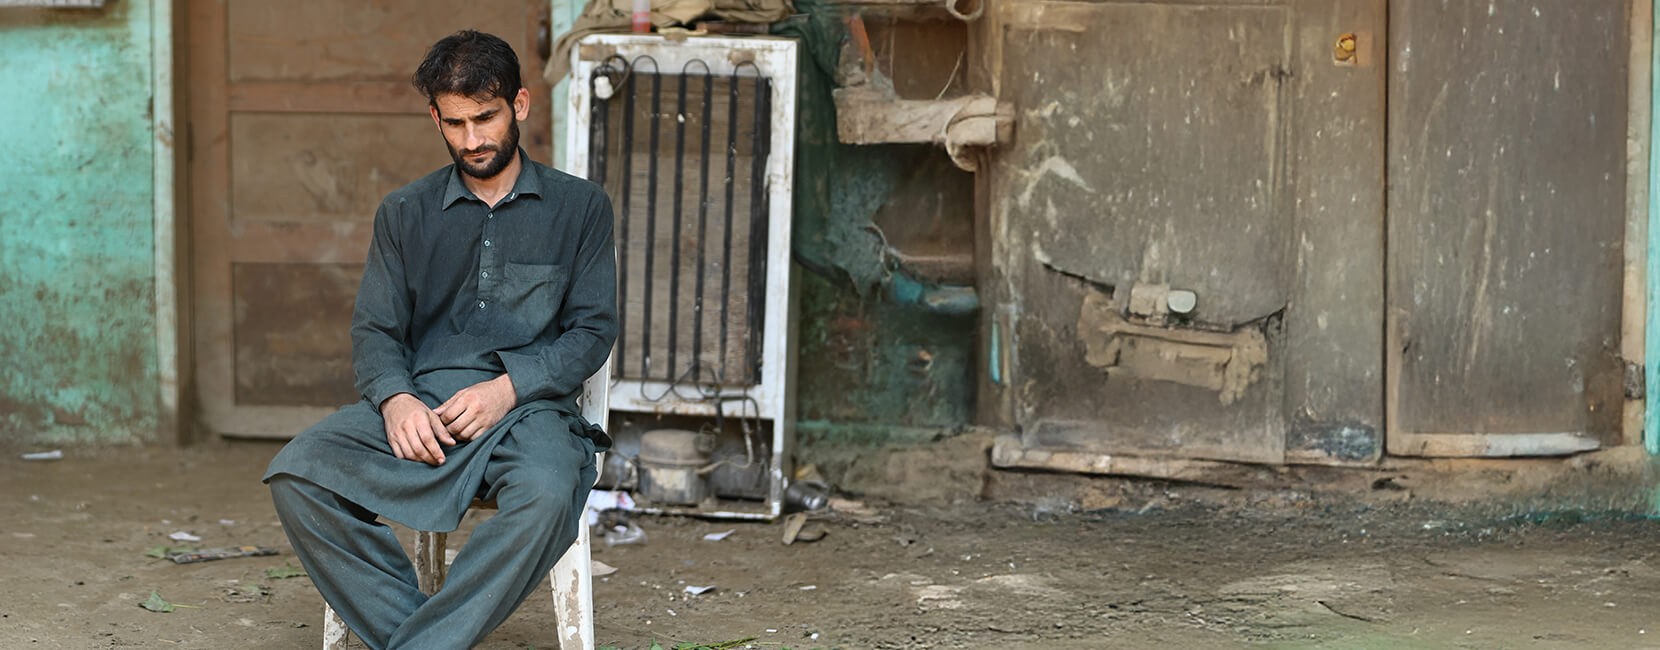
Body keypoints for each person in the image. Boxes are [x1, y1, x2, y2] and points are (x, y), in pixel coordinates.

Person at [263, 30, 617, 650]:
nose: (473, 140)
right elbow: (375, 328)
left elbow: (592, 333)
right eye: (454, 124)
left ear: (521, 105)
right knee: (300, 473)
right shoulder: (405, 211)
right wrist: (396, 399)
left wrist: (508, 390)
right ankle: (429, 637)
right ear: (435, 117)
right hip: (423, 409)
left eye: (486, 118)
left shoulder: (580, 207)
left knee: (548, 495)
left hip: (528, 412)